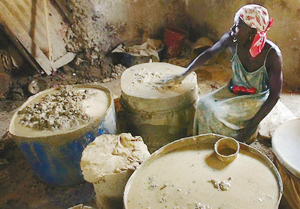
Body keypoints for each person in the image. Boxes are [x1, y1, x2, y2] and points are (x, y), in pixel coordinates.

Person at [160, 4, 283, 143]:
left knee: (217, 113)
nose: (232, 29)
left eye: (238, 26)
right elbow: (209, 54)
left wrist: (251, 126)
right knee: (202, 105)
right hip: (235, 89)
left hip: (255, 98)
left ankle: (226, 143)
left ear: (253, 32)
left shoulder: (272, 55)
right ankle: (203, 143)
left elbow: (274, 95)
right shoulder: (232, 40)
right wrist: (184, 74)